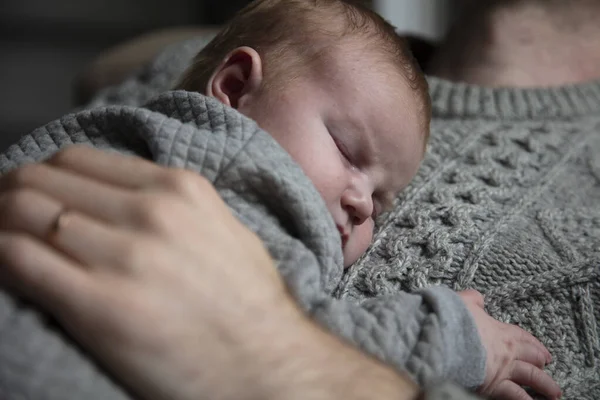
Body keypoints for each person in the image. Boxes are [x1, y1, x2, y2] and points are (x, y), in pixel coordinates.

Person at [3, 0, 597, 400]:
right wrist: (450, 337)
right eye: (344, 148)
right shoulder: (238, 141)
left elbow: (273, 324)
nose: (365, 202)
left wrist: (272, 350)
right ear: (232, 89)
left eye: (384, 203)